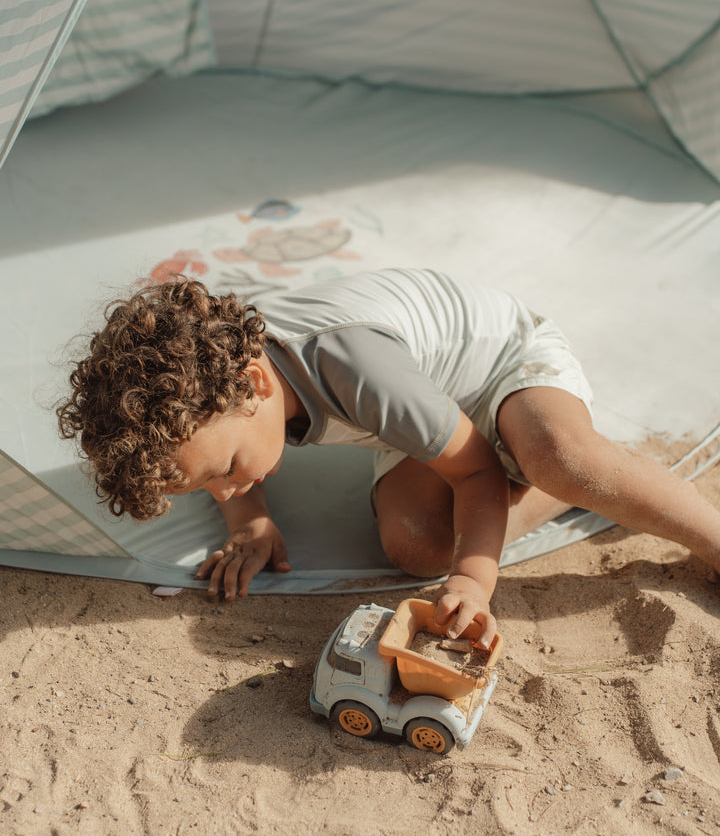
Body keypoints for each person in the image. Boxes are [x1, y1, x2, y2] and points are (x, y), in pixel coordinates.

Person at [57, 268, 720, 647]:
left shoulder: (359, 373)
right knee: (416, 545)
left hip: (499, 368)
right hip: (417, 421)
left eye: (229, 471)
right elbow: (211, 453)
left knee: (558, 459)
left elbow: (475, 472)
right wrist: (248, 521)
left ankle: (643, 499)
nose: (230, 488)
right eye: (213, 483)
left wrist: (474, 584)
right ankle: (582, 479)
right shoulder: (216, 376)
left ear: (256, 385)